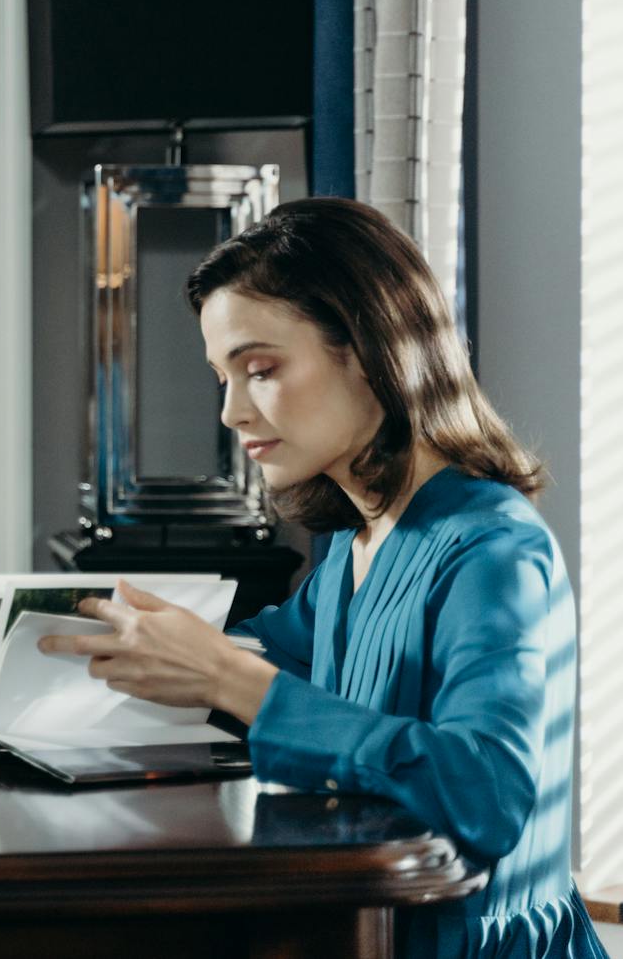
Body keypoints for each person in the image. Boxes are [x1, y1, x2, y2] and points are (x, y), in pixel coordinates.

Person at [40, 197, 606, 959]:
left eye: (261, 370)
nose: (234, 411)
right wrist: (117, 652)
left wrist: (226, 677)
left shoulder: (493, 551)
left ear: (373, 350)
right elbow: (278, 649)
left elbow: (487, 795)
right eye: (222, 379)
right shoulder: (356, 539)